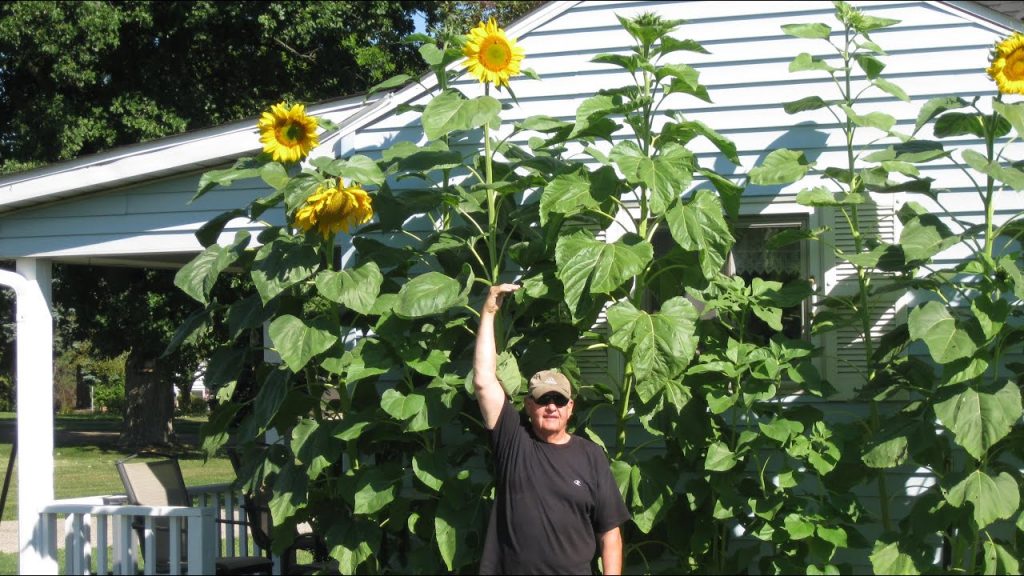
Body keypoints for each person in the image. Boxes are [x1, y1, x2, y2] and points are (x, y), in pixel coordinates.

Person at [474, 283, 630, 575]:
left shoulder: (591, 456)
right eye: (544, 399)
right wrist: (489, 311)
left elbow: (611, 534)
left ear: (571, 408)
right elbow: (483, 380)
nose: (552, 407)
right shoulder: (514, 440)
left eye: (559, 400)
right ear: (529, 406)